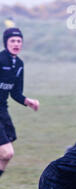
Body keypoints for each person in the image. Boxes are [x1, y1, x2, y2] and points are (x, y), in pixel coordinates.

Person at [0, 27, 39, 180]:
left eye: (19, 41)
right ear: (6, 43)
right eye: (12, 41)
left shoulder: (20, 64)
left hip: (2, 110)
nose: (16, 44)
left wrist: (27, 101)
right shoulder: (0, 59)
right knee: (7, 152)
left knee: (5, 157)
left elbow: (15, 93)